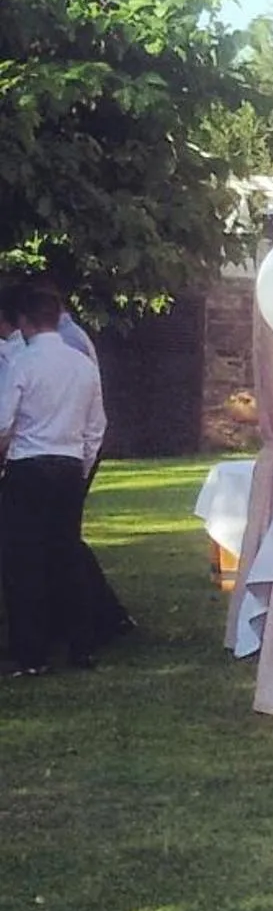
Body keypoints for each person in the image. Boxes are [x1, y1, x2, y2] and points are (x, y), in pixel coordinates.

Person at [0, 286, 109, 674]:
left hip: (28, 465)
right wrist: (81, 465)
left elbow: (4, 422)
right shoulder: (82, 365)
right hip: (67, 466)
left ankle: (31, 653)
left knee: (23, 560)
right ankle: (82, 645)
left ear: (25, 321)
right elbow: (97, 425)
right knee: (66, 556)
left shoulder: (23, 363)